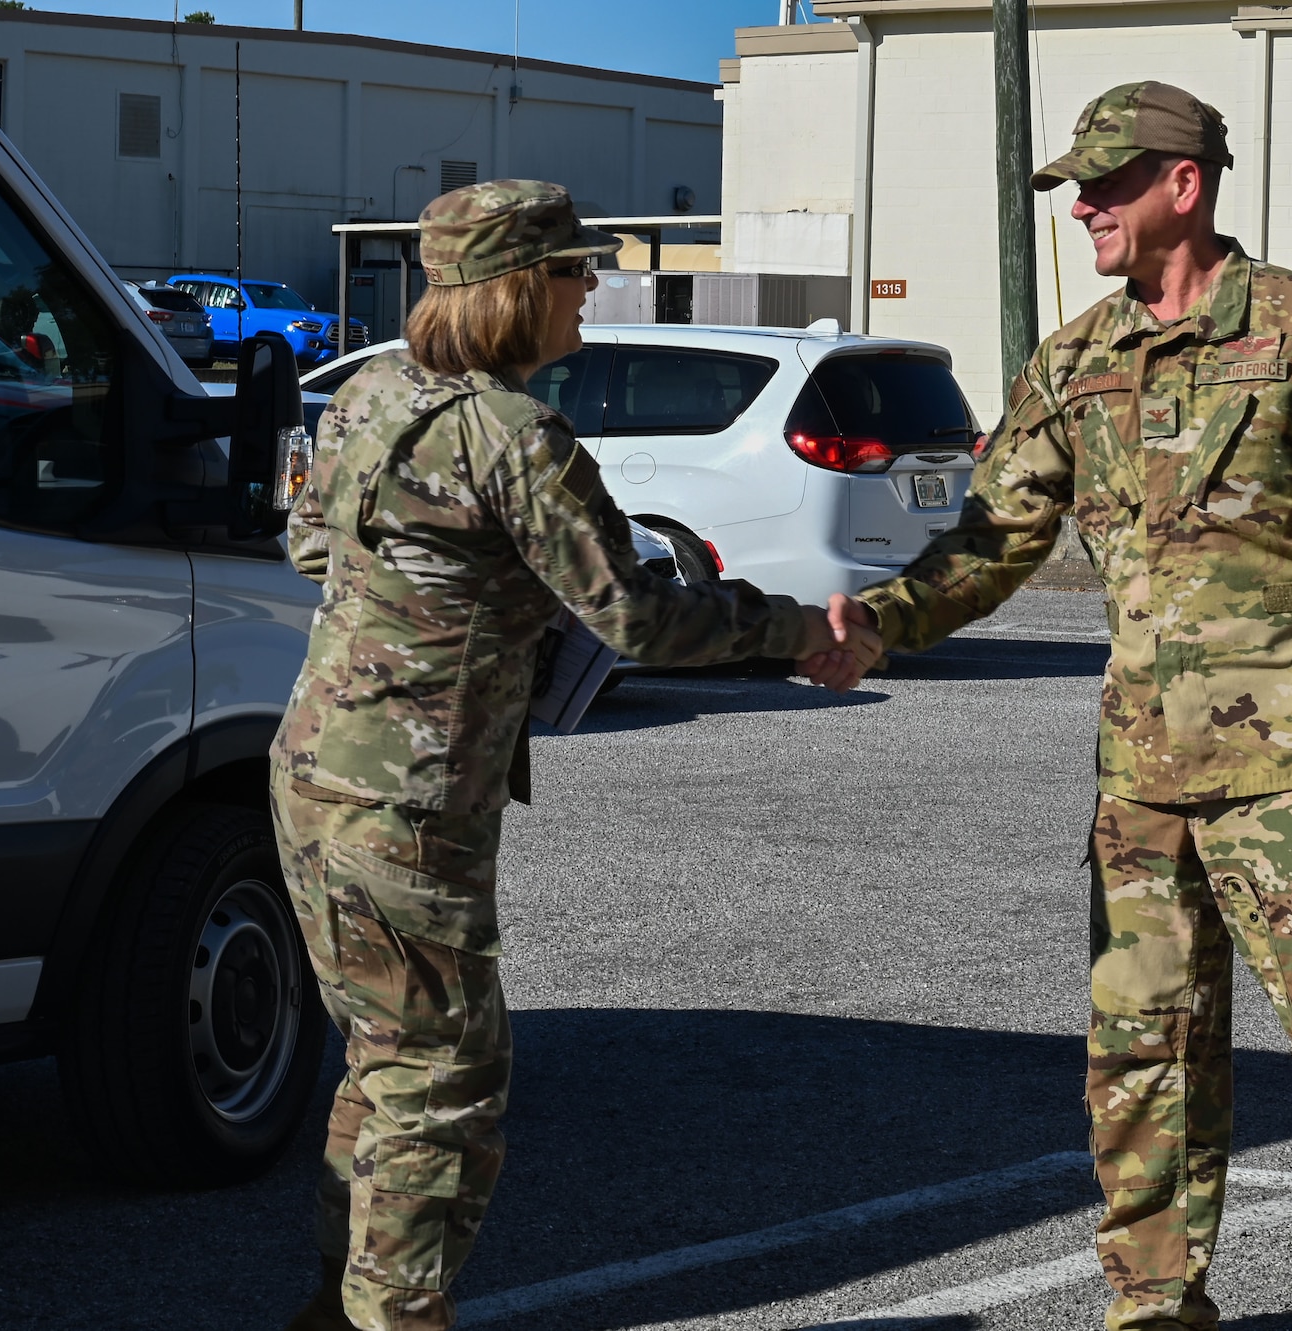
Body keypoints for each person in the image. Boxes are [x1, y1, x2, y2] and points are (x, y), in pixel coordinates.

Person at [816, 83, 1292, 1331]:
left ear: (1183, 183)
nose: (1084, 208)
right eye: (1074, 189)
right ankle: (1152, 1306)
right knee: (1139, 1067)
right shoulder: (1077, 359)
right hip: (1143, 782)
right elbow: (996, 537)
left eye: (1105, 185)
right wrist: (878, 620)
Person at [270, 179, 876, 1331]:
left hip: (314, 770)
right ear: (513, 290)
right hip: (410, 799)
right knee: (444, 1082)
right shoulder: (513, 433)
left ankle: (337, 1307)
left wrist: (445, 604)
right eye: (569, 270)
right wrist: (799, 632)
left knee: (385, 1061)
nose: (588, 287)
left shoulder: (367, 393)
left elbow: (309, 546)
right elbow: (640, 616)